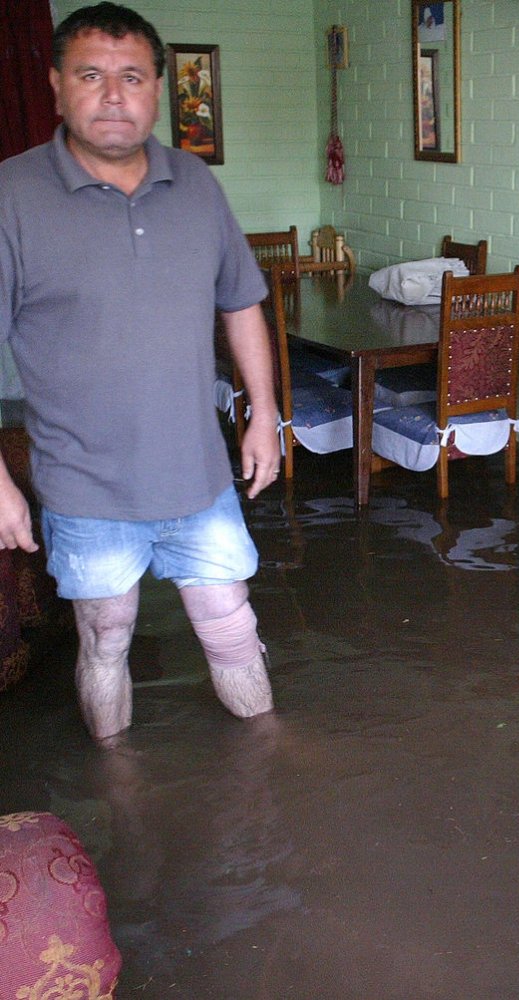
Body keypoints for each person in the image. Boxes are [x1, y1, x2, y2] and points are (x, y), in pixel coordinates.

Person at [0, 3, 280, 741]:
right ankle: (122, 785)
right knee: (106, 638)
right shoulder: (11, 195)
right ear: (57, 86)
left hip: (198, 474)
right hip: (84, 484)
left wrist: (264, 415)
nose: (114, 94)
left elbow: (243, 302)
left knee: (232, 630)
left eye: (132, 76)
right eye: (91, 75)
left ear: (160, 88)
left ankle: (274, 759)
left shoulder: (196, 185)